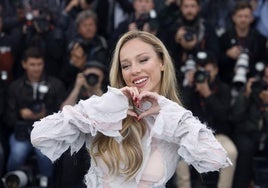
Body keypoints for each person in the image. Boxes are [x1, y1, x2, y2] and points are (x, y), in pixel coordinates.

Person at [31, 30, 231, 188]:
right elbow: (40, 136)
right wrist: (103, 105)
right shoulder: (105, 112)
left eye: (143, 60)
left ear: (162, 62)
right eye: (125, 65)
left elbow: (215, 159)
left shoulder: (172, 119)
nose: (134, 70)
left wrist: (167, 109)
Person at [4, 47, 66, 186]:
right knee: (17, 154)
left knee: (44, 155)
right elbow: (8, 117)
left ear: (44, 64)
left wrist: (46, 114)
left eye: (39, 64)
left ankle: (47, 183)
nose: (36, 68)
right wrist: (21, 114)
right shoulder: (15, 87)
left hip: (46, 133)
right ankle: (11, 182)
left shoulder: (55, 84)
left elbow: (63, 113)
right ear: (24, 64)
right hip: (22, 133)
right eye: (32, 64)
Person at [178, 53, 238, 188]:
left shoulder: (223, 88)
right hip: (192, 135)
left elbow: (224, 117)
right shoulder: (190, 89)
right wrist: (189, 86)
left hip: (217, 134)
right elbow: (180, 111)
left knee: (231, 151)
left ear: (216, 71)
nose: (204, 76)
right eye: (201, 71)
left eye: (208, 72)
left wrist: (208, 95)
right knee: (179, 151)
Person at [55, 62, 107, 188]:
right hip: (75, 140)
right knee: (69, 163)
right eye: (89, 75)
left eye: (96, 76)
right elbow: (63, 112)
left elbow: (108, 115)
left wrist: (97, 91)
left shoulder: (107, 94)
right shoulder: (76, 91)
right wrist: (77, 87)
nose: (92, 79)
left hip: (99, 141)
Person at [229, 63, 268, 188]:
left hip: (265, 136)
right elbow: (235, 116)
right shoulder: (251, 89)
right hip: (248, 133)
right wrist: (245, 95)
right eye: (265, 78)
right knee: (245, 147)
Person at [218, 1, 267, 86]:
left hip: (252, 82)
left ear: (252, 18)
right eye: (240, 16)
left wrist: (252, 68)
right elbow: (216, 61)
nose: (243, 19)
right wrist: (227, 55)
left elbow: (264, 61)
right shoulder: (224, 37)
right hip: (227, 81)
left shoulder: (260, 39)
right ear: (233, 18)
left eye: (246, 16)